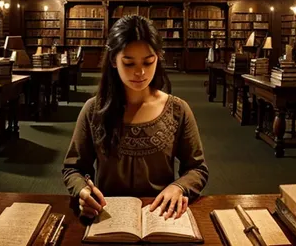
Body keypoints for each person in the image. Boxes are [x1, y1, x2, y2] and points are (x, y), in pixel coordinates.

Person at [62, 15, 208, 221]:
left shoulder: (178, 109)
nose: (140, 72)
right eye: (129, 63)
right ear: (113, 60)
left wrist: (179, 187)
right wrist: (83, 193)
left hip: (161, 215)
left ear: (158, 57)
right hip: (107, 216)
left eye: (148, 62)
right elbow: (74, 168)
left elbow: (197, 168)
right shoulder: (94, 110)